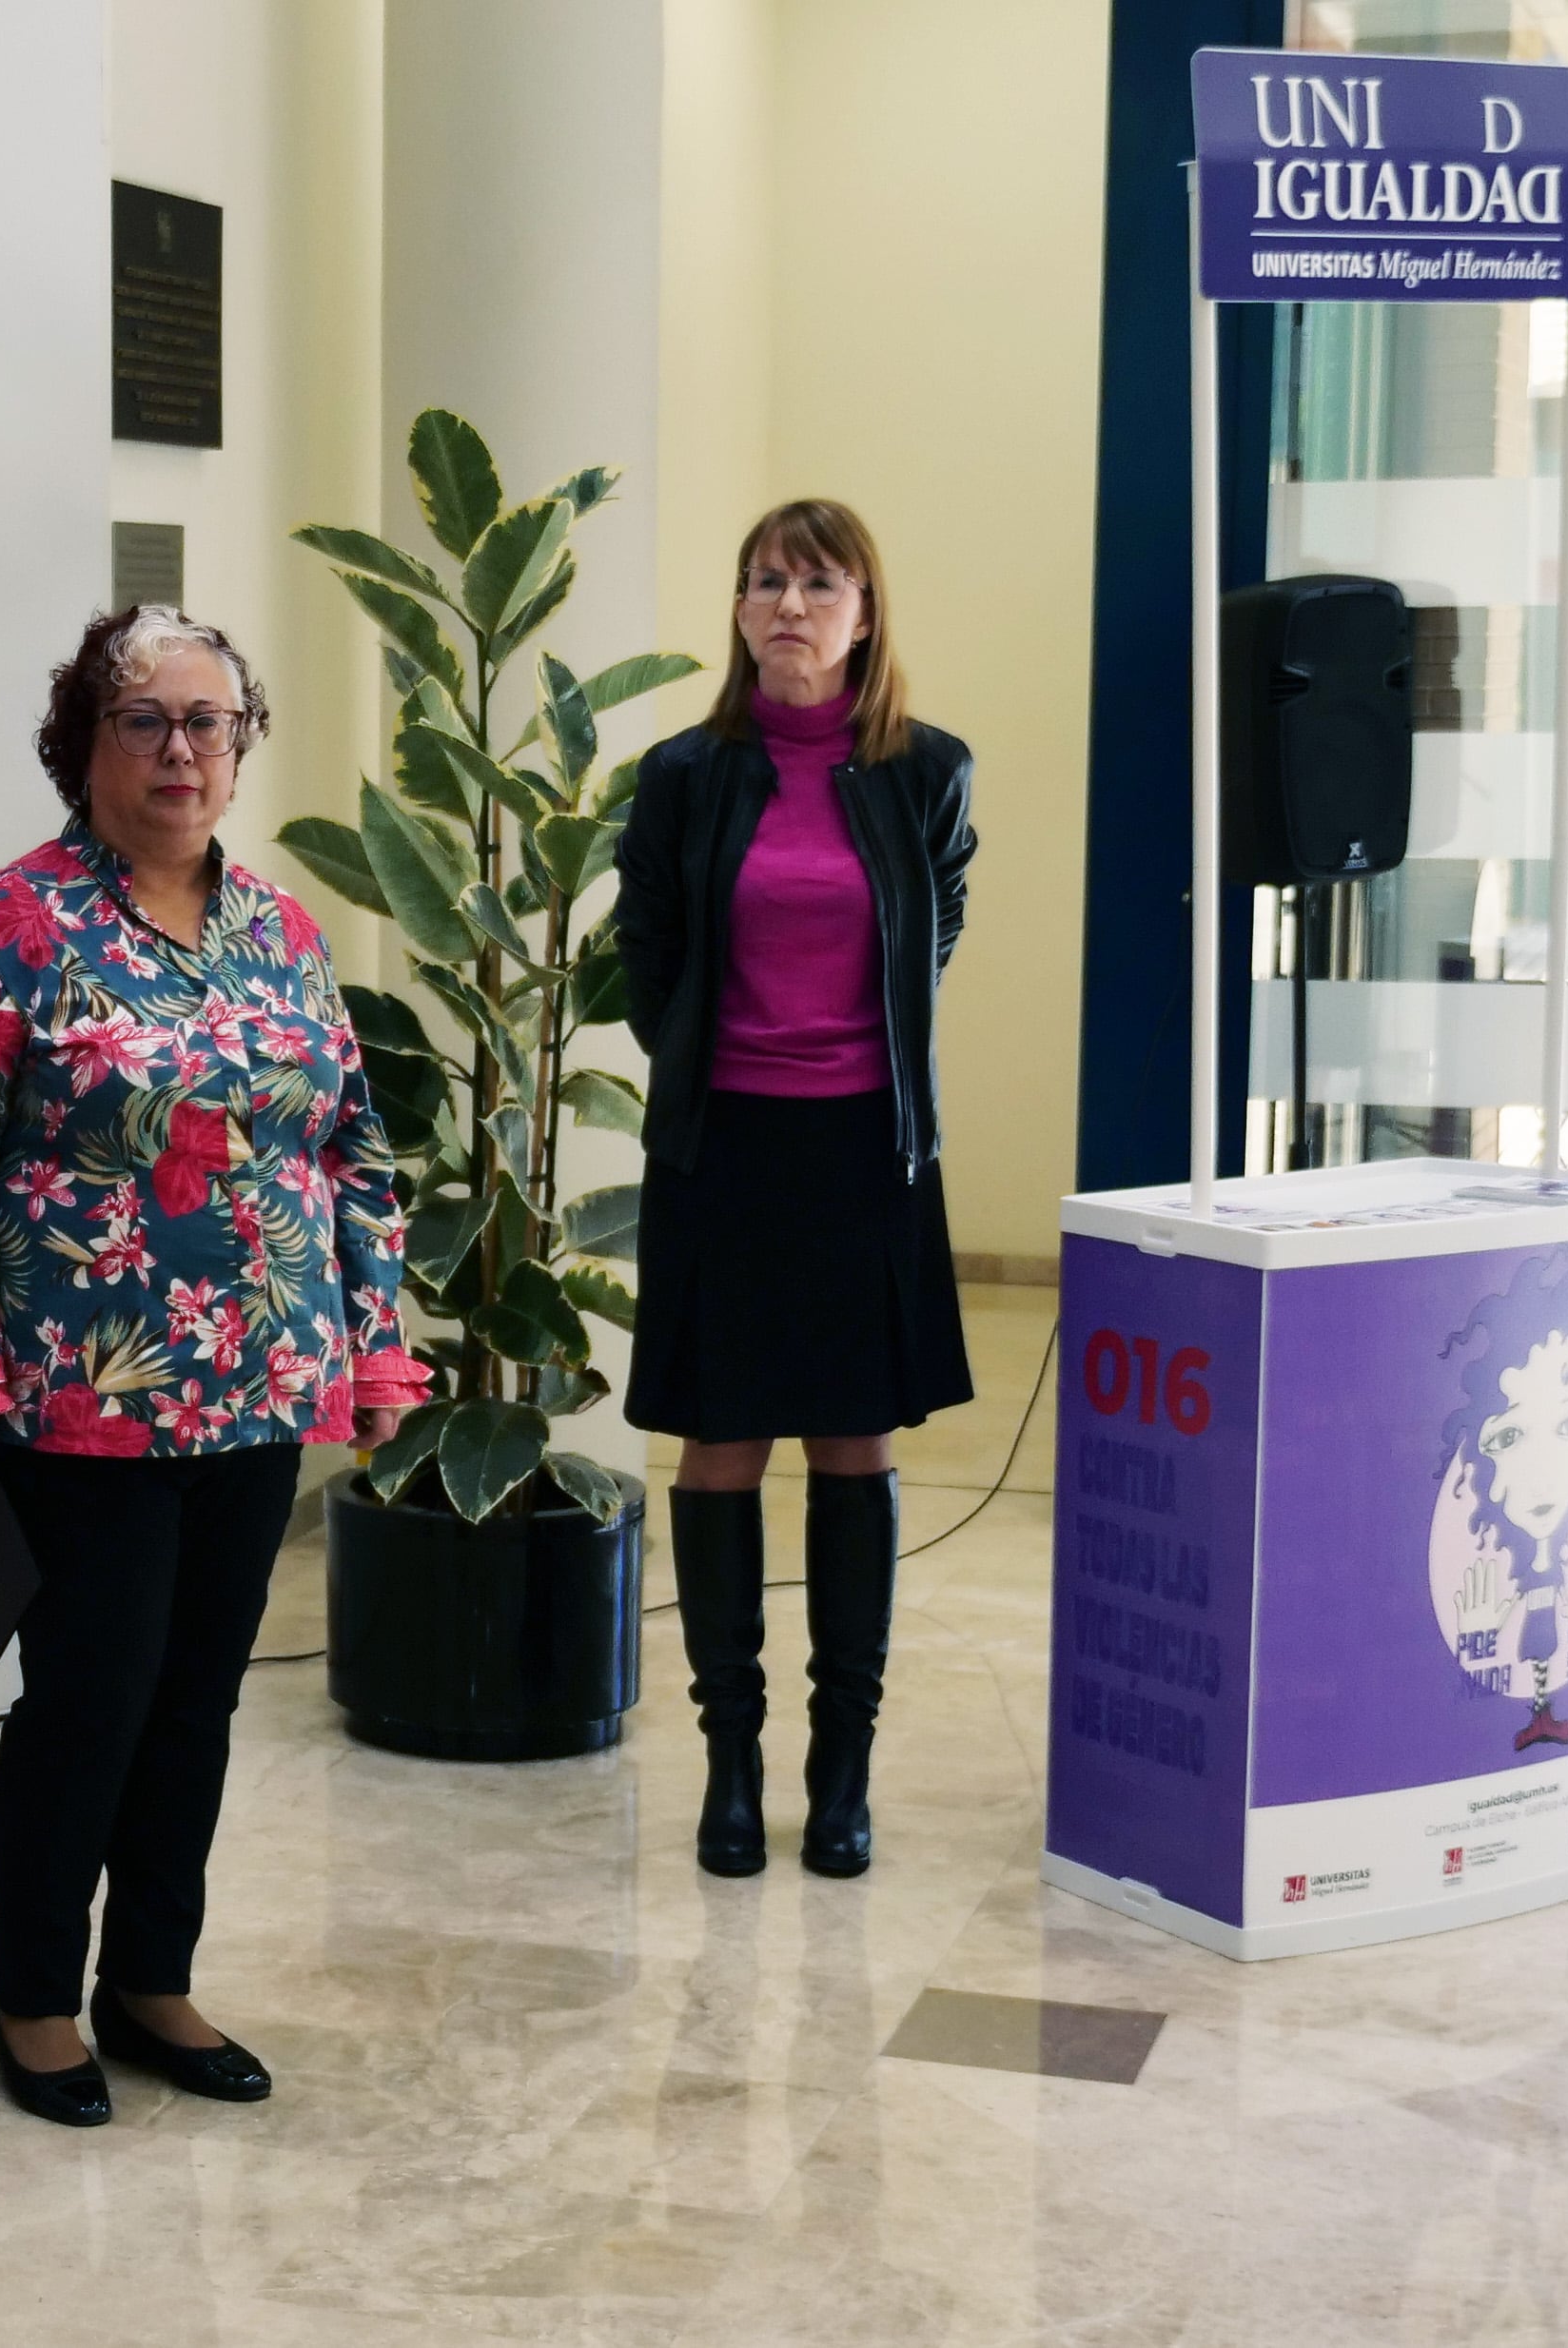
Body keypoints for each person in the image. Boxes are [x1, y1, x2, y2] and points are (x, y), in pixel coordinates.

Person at [0, 607, 426, 2126]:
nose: (182, 751)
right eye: (147, 721)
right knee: (91, 1697)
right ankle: (35, 1997)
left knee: (196, 1695)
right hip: (82, 1387)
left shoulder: (286, 931)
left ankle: (150, 1977)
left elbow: (350, 1151)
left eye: (211, 722)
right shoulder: (3, 927)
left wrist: (374, 1338)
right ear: (84, 740)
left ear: (242, 744)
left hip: (261, 1381)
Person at [613, 499, 977, 1884]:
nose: (785, 606)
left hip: (863, 1154)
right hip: (725, 1152)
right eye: (762, 581)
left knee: (854, 1448)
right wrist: (730, 1056)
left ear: (863, 613)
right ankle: (727, 1764)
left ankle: (839, 1776)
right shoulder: (685, 774)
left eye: (816, 584)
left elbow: (932, 929)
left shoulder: (924, 772)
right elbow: (648, 958)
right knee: (719, 1449)